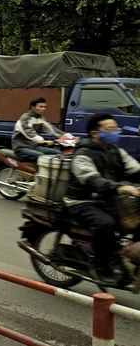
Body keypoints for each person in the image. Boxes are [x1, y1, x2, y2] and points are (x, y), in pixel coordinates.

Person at [65, 113, 140, 285]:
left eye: (116, 128)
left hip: (110, 198)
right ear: (95, 133)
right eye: (109, 129)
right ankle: (101, 265)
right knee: (105, 224)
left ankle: (131, 259)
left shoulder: (116, 151)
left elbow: (135, 170)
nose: (115, 132)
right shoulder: (83, 153)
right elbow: (92, 180)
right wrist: (120, 187)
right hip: (82, 201)